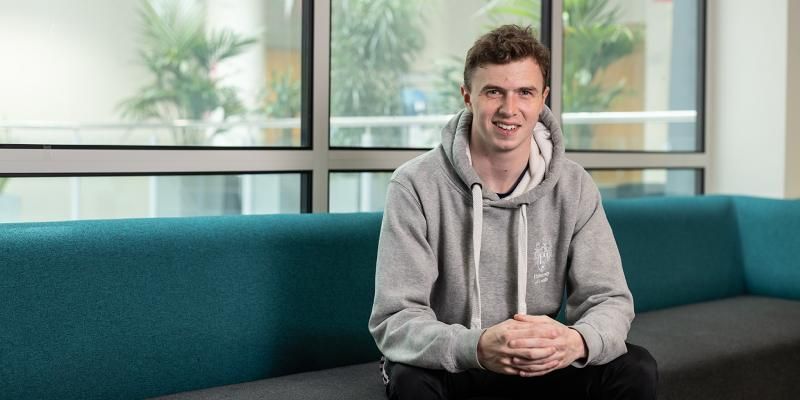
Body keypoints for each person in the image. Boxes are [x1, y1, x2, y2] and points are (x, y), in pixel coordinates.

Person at [368, 25, 658, 399]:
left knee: (635, 367)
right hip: (455, 358)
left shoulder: (574, 186)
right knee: (412, 382)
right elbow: (395, 318)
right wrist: (477, 346)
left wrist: (575, 341)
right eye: (493, 92)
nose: (510, 108)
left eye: (525, 92)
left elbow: (610, 299)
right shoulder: (414, 185)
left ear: (543, 99)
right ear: (467, 97)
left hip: (535, 361)